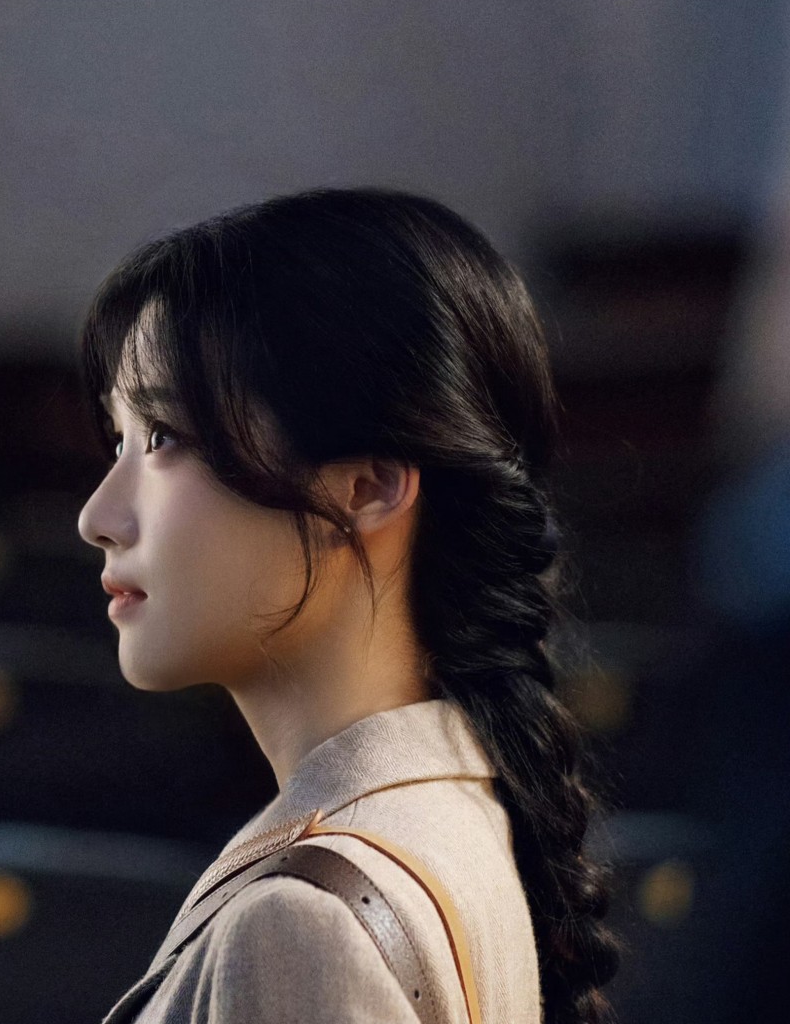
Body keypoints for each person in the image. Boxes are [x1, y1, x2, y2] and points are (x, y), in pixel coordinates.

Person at [76, 189, 618, 1024]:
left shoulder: (302, 923)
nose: (98, 516)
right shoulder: (461, 809)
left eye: (165, 437)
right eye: (120, 440)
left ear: (368, 487)